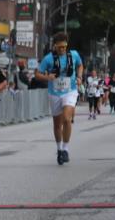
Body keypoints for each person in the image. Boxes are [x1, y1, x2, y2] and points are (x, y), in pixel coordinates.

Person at [33, 32, 83, 165]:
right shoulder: (48, 59)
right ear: (55, 46)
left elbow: (80, 65)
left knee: (67, 119)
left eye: (64, 47)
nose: (62, 49)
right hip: (54, 93)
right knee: (57, 124)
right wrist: (47, 77)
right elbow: (37, 74)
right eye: (59, 47)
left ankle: (66, 148)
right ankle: (59, 148)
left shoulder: (74, 55)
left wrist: (79, 77)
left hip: (70, 91)